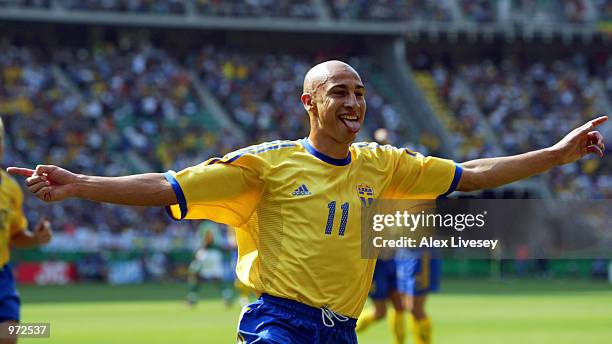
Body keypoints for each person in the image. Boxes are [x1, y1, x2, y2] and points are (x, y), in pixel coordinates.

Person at [8, 60, 607, 344]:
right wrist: (82, 183)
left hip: (340, 331)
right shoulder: (264, 165)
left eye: (361, 93)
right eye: (339, 92)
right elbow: (169, 186)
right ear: (309, 104)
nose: (354, 102)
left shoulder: (384, 164)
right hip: (280, 323)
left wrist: (555, 155)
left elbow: (471, 174)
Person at [0, 117, 53, 344]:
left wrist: (36, 238)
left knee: (9, 336)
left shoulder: (10, 188)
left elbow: (15, 236)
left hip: (1, 276)